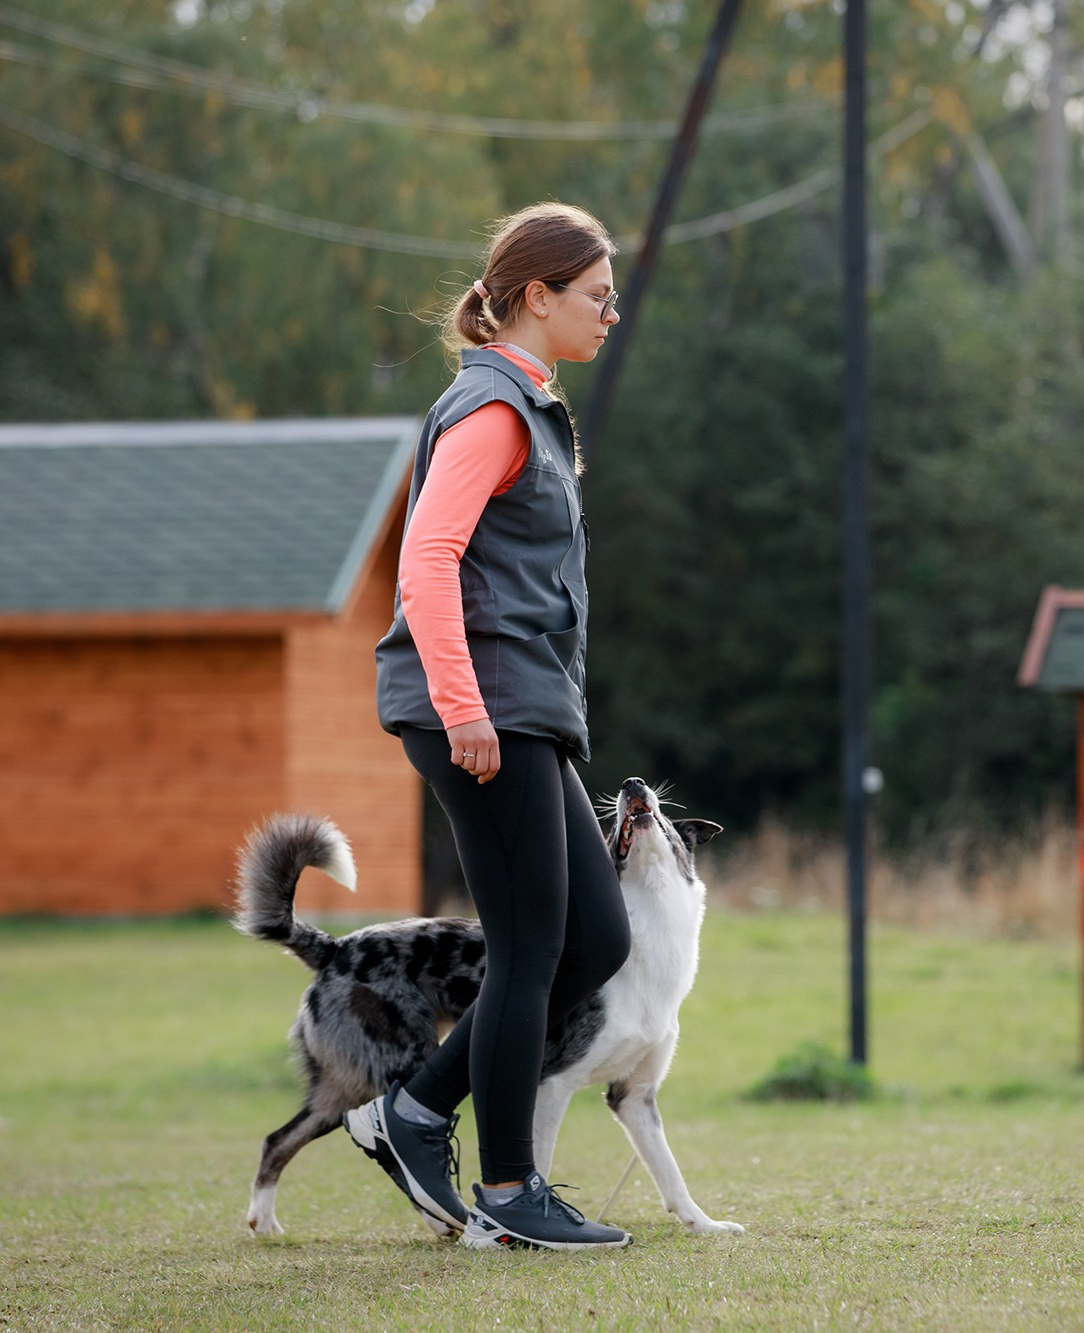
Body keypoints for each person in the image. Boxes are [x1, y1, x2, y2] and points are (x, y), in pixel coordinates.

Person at [348, 202, 634, 1251]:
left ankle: (416, 1109)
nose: (610, 313)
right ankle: (510, 1191)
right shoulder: (491, 411)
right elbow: (425, 564)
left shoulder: (530, 406)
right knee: (525, 948)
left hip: (526, 708)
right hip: (482, 711)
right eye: (596, 296)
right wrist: (465, 709)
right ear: (536, 297)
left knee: (592, 937)